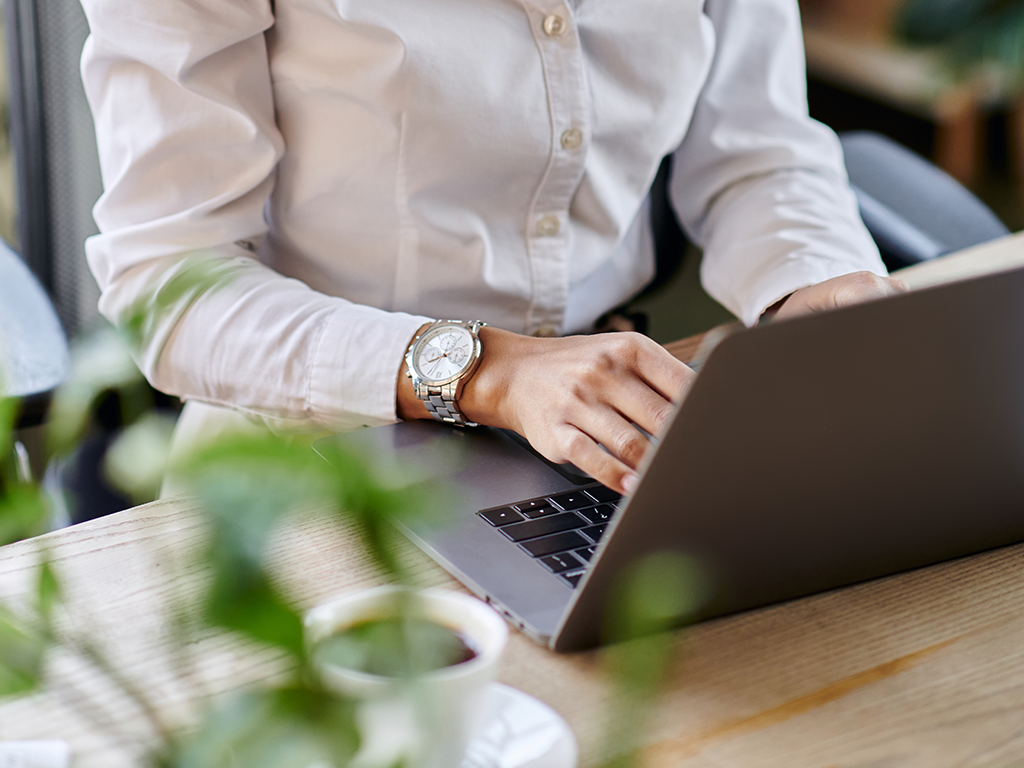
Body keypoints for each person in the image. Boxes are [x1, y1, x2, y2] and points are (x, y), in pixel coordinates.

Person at [79, 0, 905, 495]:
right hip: (312, 458)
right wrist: (492, 372)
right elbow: (170, 284)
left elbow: (755, 148)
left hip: (611, 430)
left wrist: (818, 282)